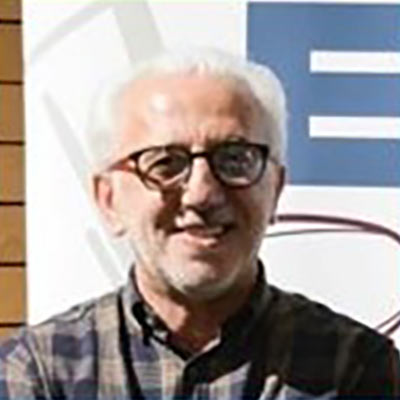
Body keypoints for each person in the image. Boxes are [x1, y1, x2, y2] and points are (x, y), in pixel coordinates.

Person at [0, 49, 399, 399]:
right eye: (165, 163)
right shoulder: (41, 372)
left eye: (235, 159)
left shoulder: (356, 368)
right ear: (109, 200)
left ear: (275, 189)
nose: (201, 194)